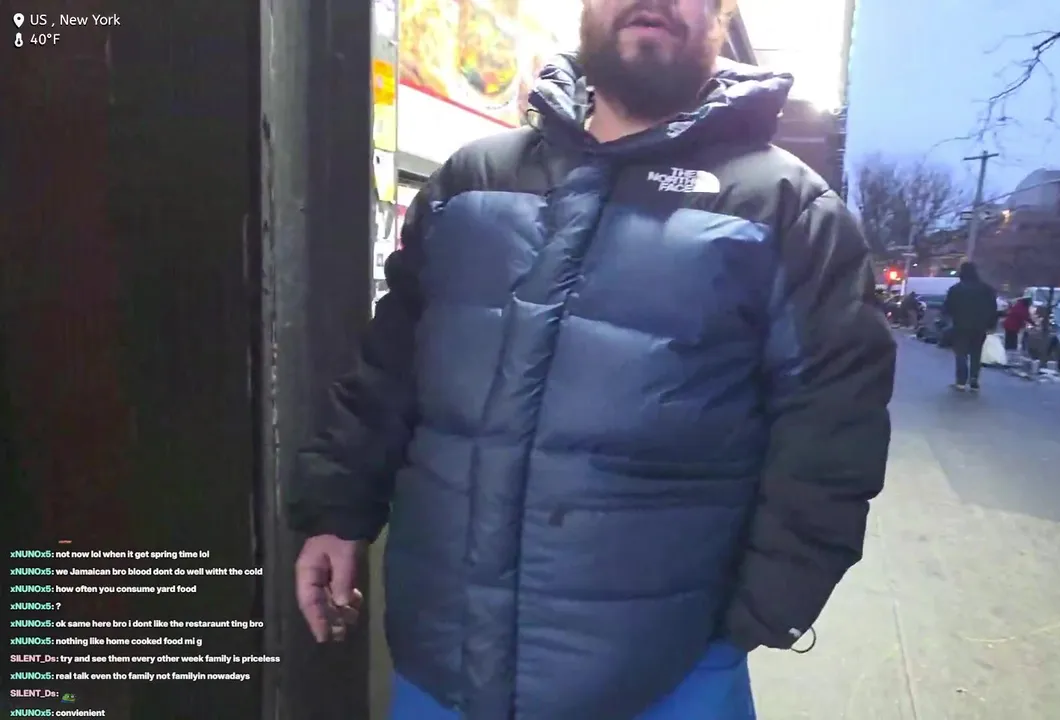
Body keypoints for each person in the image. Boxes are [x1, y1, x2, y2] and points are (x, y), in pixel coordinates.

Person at [287, 1, 896, 718]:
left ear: (721, 13)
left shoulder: (787, 210)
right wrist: (337, 513)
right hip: (439, 660)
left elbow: (833, 427)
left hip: (668, 675)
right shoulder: (473, 181)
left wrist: (763, 608)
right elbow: (388, 373)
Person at [942, 262, 998, 391]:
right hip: (980, 327)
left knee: (960, 353)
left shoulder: (956, 289)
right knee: (976, 353)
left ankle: (961, 381)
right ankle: (974, 379)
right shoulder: (987, 289)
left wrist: (949, 318)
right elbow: (993, 308)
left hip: (960, 326)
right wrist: (991, 324)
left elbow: (948, 307)